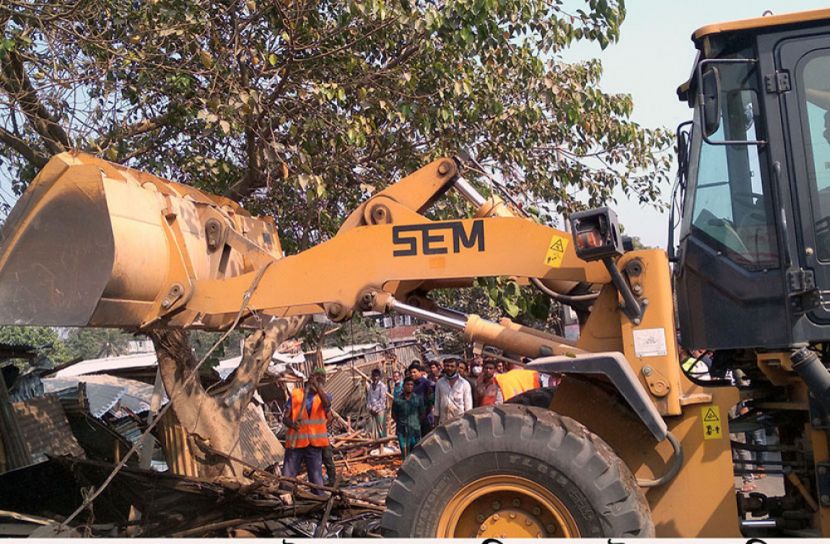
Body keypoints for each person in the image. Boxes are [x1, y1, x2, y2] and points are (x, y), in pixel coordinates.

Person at [283, 367, 331, 495]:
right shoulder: (296, 395)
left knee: (316, 480)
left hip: (314, 445)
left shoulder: (324, 397)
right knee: (287, 478)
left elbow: (327, 404)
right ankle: (284, 499)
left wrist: (316, 386)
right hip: (296, 443)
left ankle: (319, 501)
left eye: (320, 381)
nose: (318, 383)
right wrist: (293, 425)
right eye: (316, 380)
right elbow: (285, 418)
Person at [392, 377, 425, 459]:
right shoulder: (397, 400)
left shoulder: (418, 399)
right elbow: (394, 415)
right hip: (402, 430)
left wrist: (416, 423)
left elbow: (422, 413)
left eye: (411, 385)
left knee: (415, 451)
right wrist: (402, 422)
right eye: (407, 384)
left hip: (415, 429)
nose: (410, 386)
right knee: (404, 452)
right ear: (403, 386)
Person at [434, 356, 472, 425]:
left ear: (457, 368)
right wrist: (436, 423)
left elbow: (468, 406)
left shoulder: (464, 384)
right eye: (447, 366)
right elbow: (437, 403)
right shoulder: (439, 383)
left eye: (452, 366)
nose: (449, 368)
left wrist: (467, 423)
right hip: (444, 421)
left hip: (459, 421)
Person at [408, 362, 435, 435]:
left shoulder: (427, 383)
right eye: (411, 372)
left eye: (414, 372)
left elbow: (433, 399)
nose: (412, 374)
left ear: (420, 372)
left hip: (426, 416)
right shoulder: (410, 384)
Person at [367, 368, 388, 439]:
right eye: (373, 376)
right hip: (372, 410)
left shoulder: (382, 386)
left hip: (380, 410)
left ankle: (383, 443)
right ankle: (376, 442)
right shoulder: (370, 386)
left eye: (376, 376)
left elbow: (382, 399)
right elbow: (369, 398)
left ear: (379, 377)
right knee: (372, 428)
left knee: (381, 427)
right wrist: (370, 407)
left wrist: (375, 408)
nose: (375, 378)